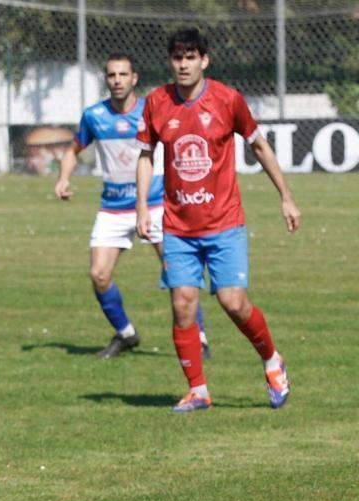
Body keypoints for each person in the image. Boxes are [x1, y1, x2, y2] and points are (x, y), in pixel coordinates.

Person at [136, 28, 301, 412]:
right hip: (178, 225)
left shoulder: (228, 100)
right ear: (170, 61)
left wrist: (287, 197)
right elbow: (146, 155)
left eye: (191, 56)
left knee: (233, 302)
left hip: (225, 223)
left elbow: (259, 145)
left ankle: (273, 361)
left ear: (204, 60)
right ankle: (198, 390)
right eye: (177, 57)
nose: (183, 64)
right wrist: (143, 205)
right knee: (182, 304)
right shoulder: (156, 102)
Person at [54, 53, 210, 359]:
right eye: (112, 75)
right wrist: (63, 178)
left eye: (123, 75)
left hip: (155, 203)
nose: (117, 81)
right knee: (99, 275)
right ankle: (126, 334)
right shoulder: (94, 116)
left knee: (179, 272)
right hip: (112, 206)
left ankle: (199, 339)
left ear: (134, 78)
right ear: (106, 79)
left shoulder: (152, 109)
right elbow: (74, 150)